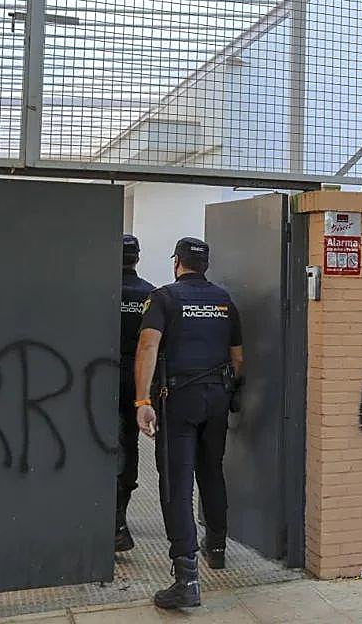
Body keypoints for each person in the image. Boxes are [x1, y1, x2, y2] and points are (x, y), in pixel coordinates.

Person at [133, 237, 243, 610]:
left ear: (177, 262)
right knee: (211, 471)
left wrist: (142, 400)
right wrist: (230, 391)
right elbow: (238, 357)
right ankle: (217, 548)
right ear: (205, 266)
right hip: (217, 396)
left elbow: (148, 347)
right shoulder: (224, 300)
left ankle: (186, 578)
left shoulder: (163, 298)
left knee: (177, 483)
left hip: (178, 399)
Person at [115, 234, 155, 553]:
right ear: (137, 258)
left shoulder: (100, 289)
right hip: (136, 379)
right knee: (128, 443)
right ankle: (118, 520)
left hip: (97, 377)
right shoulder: (151, 295)